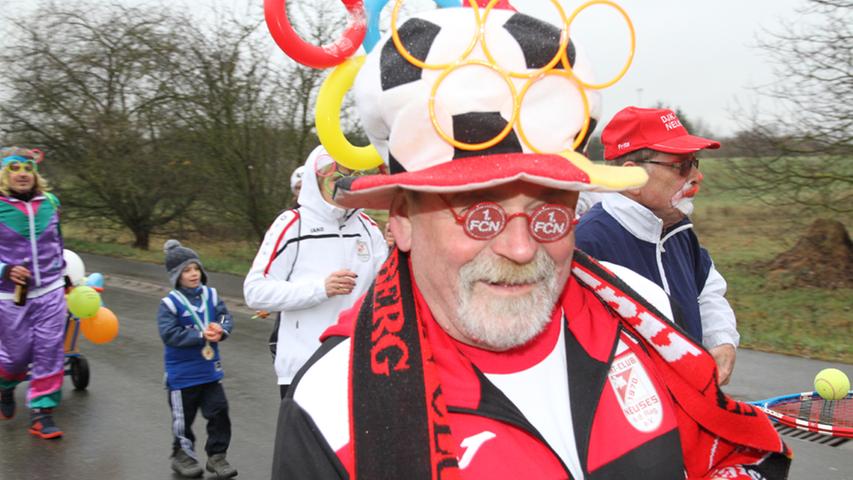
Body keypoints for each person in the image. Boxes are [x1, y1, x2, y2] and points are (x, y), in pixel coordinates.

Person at [269, 7, 790, 480]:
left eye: (549, 211)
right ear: (402, 219)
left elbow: (718, 456)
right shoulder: (335, 407)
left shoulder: (642, 315)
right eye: (478, 212)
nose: (521, 249)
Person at [575, 106, 739, 385]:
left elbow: (707, 291)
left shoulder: (677, 229)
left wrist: (721, 341)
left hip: (691, 404)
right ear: (633, 178)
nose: (697, 177)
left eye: (695, 164)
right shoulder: (587, 244)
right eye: (682, 166)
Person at [243, 146, 388, 399]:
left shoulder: (368, 228)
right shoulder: (292, 224)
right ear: (315, 181)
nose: (341, 188)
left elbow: (389, 291)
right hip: (303, 367)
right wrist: (320, 289)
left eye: (348, 179)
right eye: (333, 180)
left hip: (356, 368)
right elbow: (255, 291)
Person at [0, 146, 67, 439]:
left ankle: (42, 413)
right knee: (15, 357)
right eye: (15, 169)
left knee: (49, 350)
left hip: (50, 290)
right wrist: (5, 270)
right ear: (4, 175)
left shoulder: (51, 203)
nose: (23, 174)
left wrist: (65, 276)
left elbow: (58, 242)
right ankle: (5, 385)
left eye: (28, 168)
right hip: (9, 296)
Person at [158, 240, 237, 478]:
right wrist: (200, 334)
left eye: (196, 269)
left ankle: (217, 456)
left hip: (209, 371)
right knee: (183, 420)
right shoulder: (169, 304)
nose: (193, 274)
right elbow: (169, 334)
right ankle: (183, 455)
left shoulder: (211, 296)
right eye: (186, 271)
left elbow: (226, 318)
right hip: (182, 376)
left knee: (219, 412)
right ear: (175, 276)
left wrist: (220, 330)